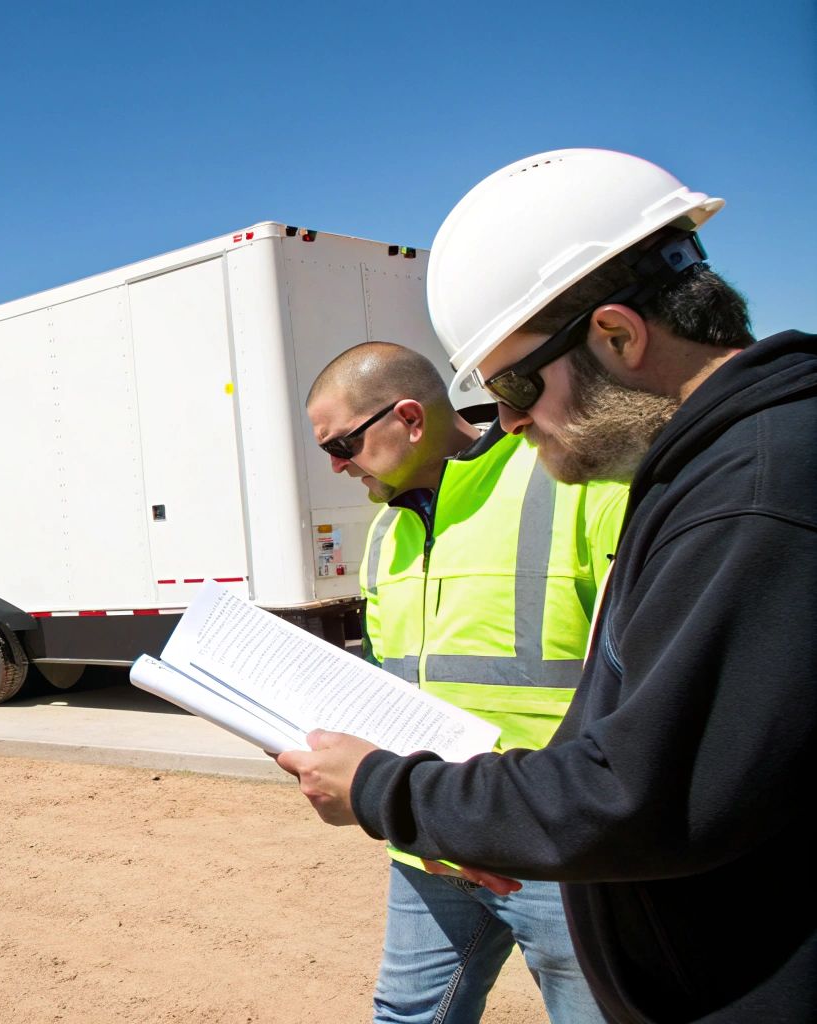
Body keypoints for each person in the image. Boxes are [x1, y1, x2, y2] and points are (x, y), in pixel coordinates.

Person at [277, 149, 817, 1022]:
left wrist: (386, 789)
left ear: (616, 334)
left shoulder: (749, 496)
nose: (512, 417)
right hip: (484, 833)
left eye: (516, 384)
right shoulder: (716, 473)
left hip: (566, 862)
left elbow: (639, 791)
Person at [307, 341, 624, 1023]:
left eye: (342, 443)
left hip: (556, 848)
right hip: (431, 843)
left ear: (411, 419)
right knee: (407, 1016)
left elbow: (636, 677)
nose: (335, 465)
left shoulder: (566, 477)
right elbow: (389, 684)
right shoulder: (386, 533)